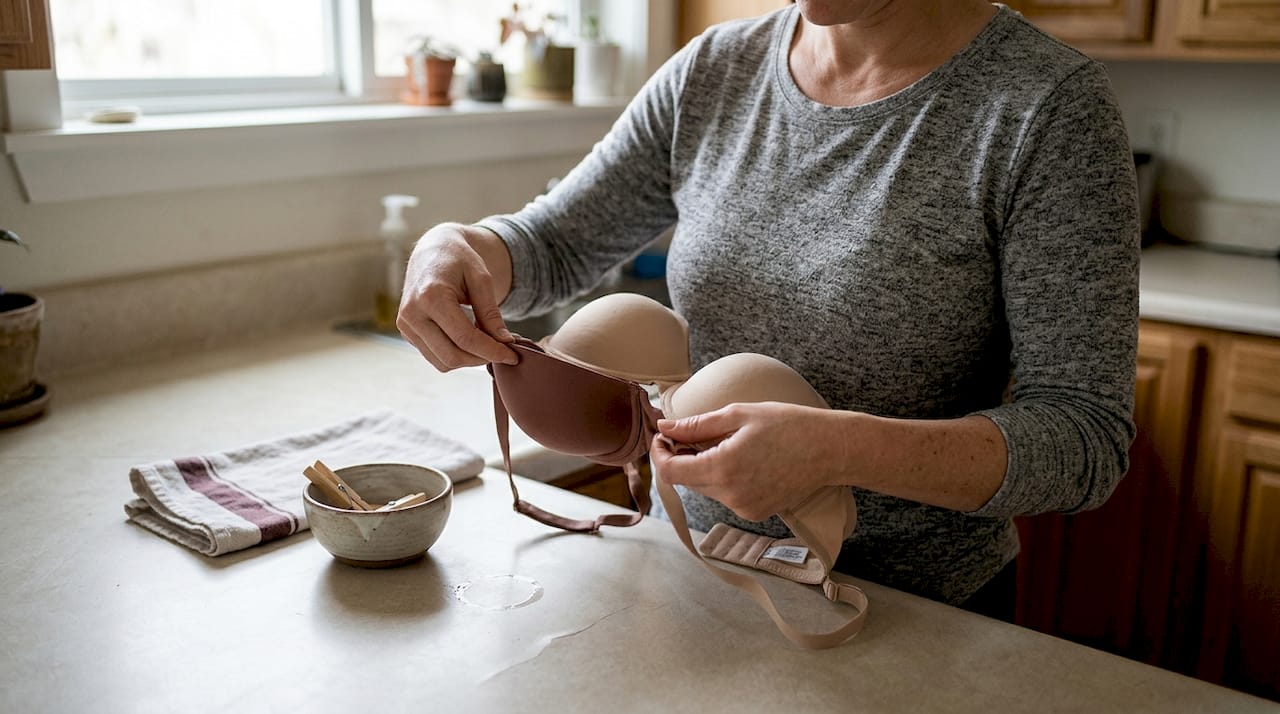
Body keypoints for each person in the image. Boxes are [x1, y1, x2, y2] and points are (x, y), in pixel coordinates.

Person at [396, 0, 1139, 621]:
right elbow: (554, 241)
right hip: (694, 582)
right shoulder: (716, 70)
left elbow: (1084, 438)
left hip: (916, 616)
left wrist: (838, 450)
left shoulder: (1046, 109)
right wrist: (457, 245)